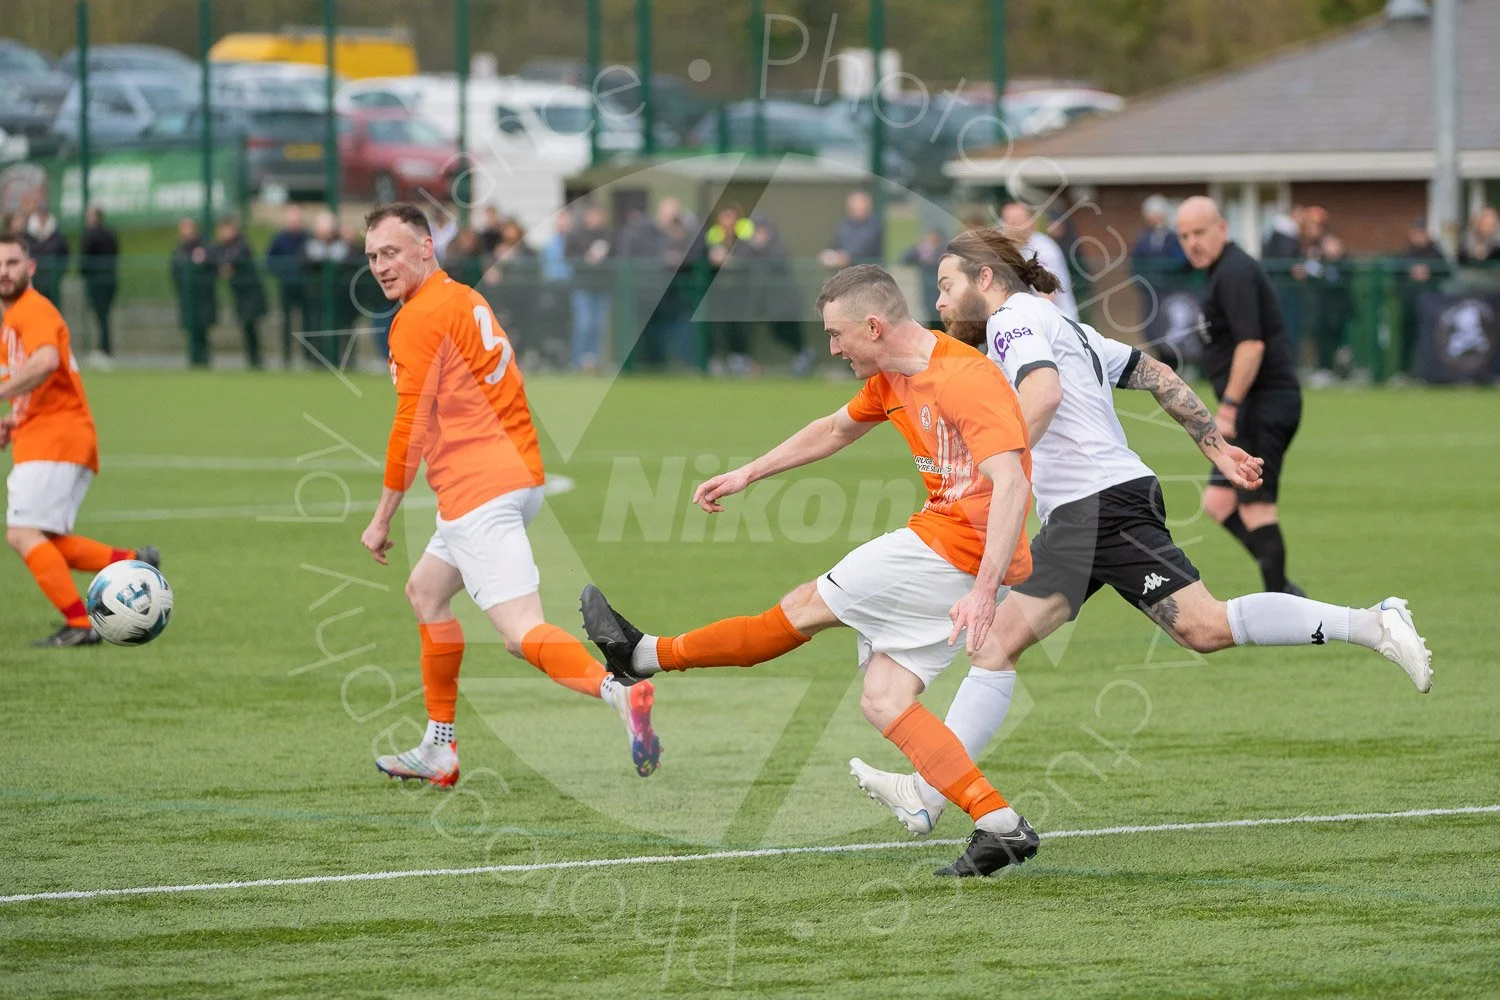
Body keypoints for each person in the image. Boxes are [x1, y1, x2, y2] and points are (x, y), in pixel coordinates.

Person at [845, 227, 1433, 836]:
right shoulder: (1057, 322)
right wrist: (1219, 447)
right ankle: (927, 792)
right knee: (996, 646)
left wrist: (993, 462)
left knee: (1204, 627)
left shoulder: (1011, 323)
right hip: (1084, 514)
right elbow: (1155, 373)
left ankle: (1374, 622)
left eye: (946, 287)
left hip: (1100, 507)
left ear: (985, 280)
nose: (939, 303)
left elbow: (1042, 394)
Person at [581, 264, 1043, 878]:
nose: (832, 348)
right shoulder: (891, 377)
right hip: (955, 552)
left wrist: (986, 592)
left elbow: (1012, 484)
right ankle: (1000, 825)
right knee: (883, 701)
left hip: (956, 549)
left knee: (801, 608)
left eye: (837, 334)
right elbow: (833, 429)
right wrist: (748, 472)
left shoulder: (964, 379)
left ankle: (642, 656)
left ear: (874, 326)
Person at [356, 202, 659, 787]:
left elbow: (408, 430)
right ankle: (439, 746)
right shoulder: (463, 297)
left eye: (391, 252)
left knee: (522, 633)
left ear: (426, 247)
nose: (380, 266)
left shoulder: (418, 318)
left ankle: (619, 692)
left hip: (478, 491)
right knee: (425, 592)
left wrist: (381, 516)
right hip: (514, 474)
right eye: (371, 257)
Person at [0, 231, 159, 647]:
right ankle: (133, 562)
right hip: (50, 435)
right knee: (46, 540)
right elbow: (39, 380)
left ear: (31, 267)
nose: (3, 272)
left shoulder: (29, 310)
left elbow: (47, 360)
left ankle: (80, 624)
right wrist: (13, 421)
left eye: (12, 262)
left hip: (55, 437)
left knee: (21, 533)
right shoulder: (16, 318)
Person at [1176, 196, 1306, 597]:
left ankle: (1281, 610)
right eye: (1184, 236)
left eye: (1200, 232)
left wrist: (1228, 407)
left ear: (1222, 229)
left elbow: (1252, 346)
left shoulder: (1234, 272)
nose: (1192, 242)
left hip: (1261, 405)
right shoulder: (1221, 273)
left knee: (1255, 507)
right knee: (1219, 502)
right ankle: (1285, 591)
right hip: (1251, 405)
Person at [999, 201, 1078, 320]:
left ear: (1032, 224)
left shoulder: (1044, 249)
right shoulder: (1006, 250)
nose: (1012, 225)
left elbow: (1047, 296)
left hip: (1057, 325)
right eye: (1008, 220)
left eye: (1018, 220)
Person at [213, 217, 267, 371]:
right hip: (240, 296)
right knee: (246, 327)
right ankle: (253, 360)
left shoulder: (242, 246)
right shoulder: (222, 247)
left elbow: (232, 263)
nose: (223, 233)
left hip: (251, 295)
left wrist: (226, 267)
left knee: (250, 326)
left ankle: (255, 360)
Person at [1395, 219, 1447, 380]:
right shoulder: (1406, 254)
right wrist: (1411, 273)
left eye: (1422, 233)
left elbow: (1446, 272)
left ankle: (1430, 374)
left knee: (1430, 340)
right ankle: (1403, 373)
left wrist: (1430, 272)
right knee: (1407, 338)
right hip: (1410, 303)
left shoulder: (1436, 253)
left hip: (1431, 305)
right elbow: (1396, 275)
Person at [565, 204, 614, 373]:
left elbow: (617, 257)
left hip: (602, 287)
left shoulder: (608, 235)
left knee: (598, 326)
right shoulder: (577, 236)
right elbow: (568, 257)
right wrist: (586, 259)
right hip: (582, 287)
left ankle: (595, 361)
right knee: (583, 325)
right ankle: (577, 361)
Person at [265, 205, 309, 368]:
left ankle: (308, 356)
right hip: (286, 287)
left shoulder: (307, 238)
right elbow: (270, 261)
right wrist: (282, 274)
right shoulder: (279, 239)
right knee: (286, 323)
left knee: (308, 322)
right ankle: (287, 357)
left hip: (305, 288)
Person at [169, 217, 216, 369]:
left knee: (202, 332)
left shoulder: (205, 248)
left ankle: (204, 362)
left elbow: (213, 269)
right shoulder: (179, 250)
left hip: (203, 298)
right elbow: (174, 273)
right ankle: (194, 362)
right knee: (191, 333)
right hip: (187, 298)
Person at [78, 206, 119, 363]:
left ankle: (104, 350)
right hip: (109, 278)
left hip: (96, 280)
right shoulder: (111, 234)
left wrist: (85, 272)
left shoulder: (91, 235)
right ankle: (104, 348)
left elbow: (85, 257)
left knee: (101, 316)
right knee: (104, 316)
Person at [819, 190, 883, 270]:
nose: (857, 211)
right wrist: (829, 254)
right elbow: (834, 244)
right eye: (853, 209)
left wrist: (845, 257)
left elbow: (862, 247)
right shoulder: (843, 225)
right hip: (845, 273)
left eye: (861, 208)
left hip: (868, 274)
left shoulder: (874, 226)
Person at [25, 207, 69, 306]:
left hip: (52, 280)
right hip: (34, 279)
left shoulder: (57, 234)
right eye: (40, 215)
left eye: (44, 215)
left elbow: (65, 253)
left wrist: (60, 272)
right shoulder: (28, 235)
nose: (42, 218)